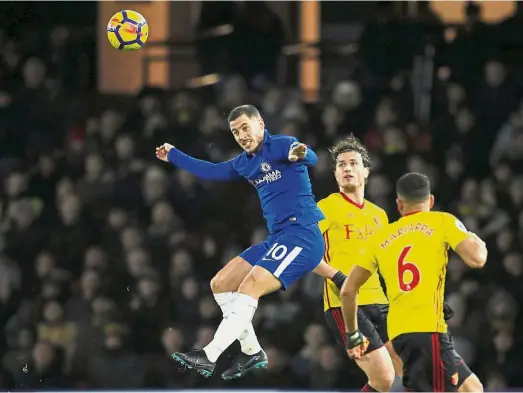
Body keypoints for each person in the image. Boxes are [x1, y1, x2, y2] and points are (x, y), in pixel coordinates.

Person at [155, 105, 344, 379]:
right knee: (220, 283)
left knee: (250, 285)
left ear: (260, 124)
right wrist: (174, 155)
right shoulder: (244, 163)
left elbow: (310, 156)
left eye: (245, 127)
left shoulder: (281, 144)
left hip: (302, 234)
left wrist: (299, 153)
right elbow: (209, 171)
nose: (241, 135)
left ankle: (209, 354)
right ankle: (251, 349)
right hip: (278, 238)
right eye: (235, 131)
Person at [339, 172, 487, 392]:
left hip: (400, 334)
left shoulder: (380, 237)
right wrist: (477, 240)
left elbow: (347, 292)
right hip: (428, 330)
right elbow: (477, 259)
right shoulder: (441, 220)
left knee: (472, 388)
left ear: (399, 204)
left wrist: (352, 334)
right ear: (431, 201)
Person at [317, 135, 396, 392]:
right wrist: (337, 277)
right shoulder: (325, 207)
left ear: (366, 171)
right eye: (341, 165)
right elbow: (302, 253)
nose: (347, 168)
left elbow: (388, 265)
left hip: (381, 302)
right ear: (335, 174)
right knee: (384, 378)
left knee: (412, 364)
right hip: (345, 303)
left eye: (353, 163)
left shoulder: (379, 215)